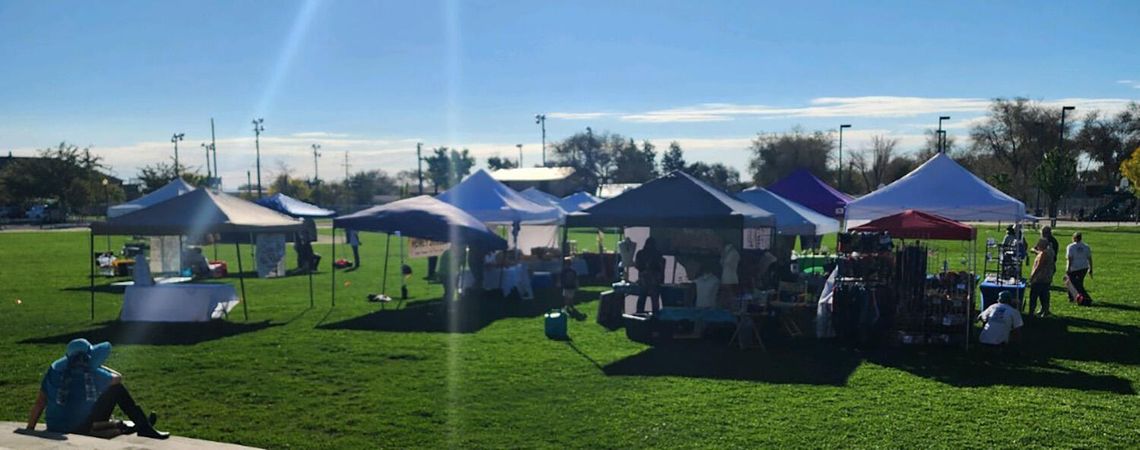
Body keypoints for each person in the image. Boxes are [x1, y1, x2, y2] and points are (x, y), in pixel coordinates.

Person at [26, 339, 168, 439]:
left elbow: (40, 402)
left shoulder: (54, 372)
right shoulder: (91, 373)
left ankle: (138, 425)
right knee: (117, 389)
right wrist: (96, 365)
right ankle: (144, 427)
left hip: (54, 425)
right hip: (80, 427)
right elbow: (118, 378)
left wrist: (30, 429)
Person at [634, 237, 665, 314]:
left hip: (648, 280)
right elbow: (661, 268)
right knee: (651, 299)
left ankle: (640, 314)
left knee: (644, 298)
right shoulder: (657, 254)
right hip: (650, 280)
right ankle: (654, 316)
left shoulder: (642, 253)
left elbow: (637, 266)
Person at [1028, 239, 1055, 317]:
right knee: (1044, 295)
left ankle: (1031, 312)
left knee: (1034, 296)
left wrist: (1032, 276)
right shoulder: (1050, 252)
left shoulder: (1043, 254)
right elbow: (1040, 253)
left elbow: (1038, 266)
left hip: (1039, 278)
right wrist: (1035, 251)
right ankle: (1045, 311)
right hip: (1047, 278)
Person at [1065, 232, 1093, 302]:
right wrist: (1090, 268)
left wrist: (1068, 268)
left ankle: (1084, 297)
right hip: (1083, 267)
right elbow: (1089, 258)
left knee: (1071, 283)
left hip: (1074, 268)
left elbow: (1070, 258)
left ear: (1074, 238)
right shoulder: (1086, 246)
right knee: (1079, 282)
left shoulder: (1070, 246)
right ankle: (1073, 297)